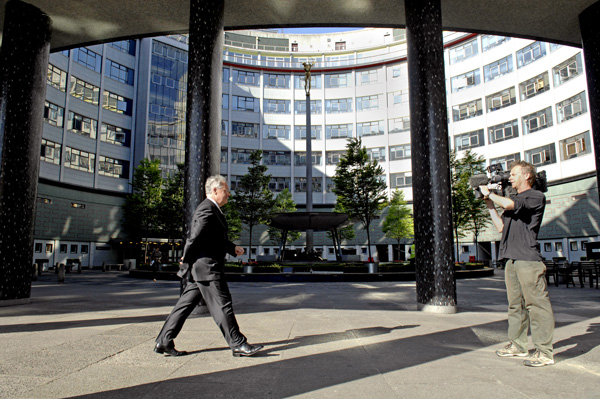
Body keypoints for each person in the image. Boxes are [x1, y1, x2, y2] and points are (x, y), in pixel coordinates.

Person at [154, 175, 263, 357]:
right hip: (207, 267)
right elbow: (195, 237)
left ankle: (163, 341)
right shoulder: (206, 209)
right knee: (223, 304)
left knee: (184, 306)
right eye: (226, 190)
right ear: (215, 190)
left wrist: (231, 247)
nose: (228, 194)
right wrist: (185, 259)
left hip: (202, 269)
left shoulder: (213, 209)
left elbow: (213, 237)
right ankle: (237, 343)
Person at [479, 161, 554, 367]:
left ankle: (544, 351)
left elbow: (511, 205)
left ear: (527, 176)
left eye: (513, 174)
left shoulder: (535, 196)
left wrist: (491, 194)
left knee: (536, 305)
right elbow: (501, 227)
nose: (509, 177)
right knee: (516, 306)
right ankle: (518, 345)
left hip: (528, 259)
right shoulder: (512, 200)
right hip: (511, 259)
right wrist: (488, 202)